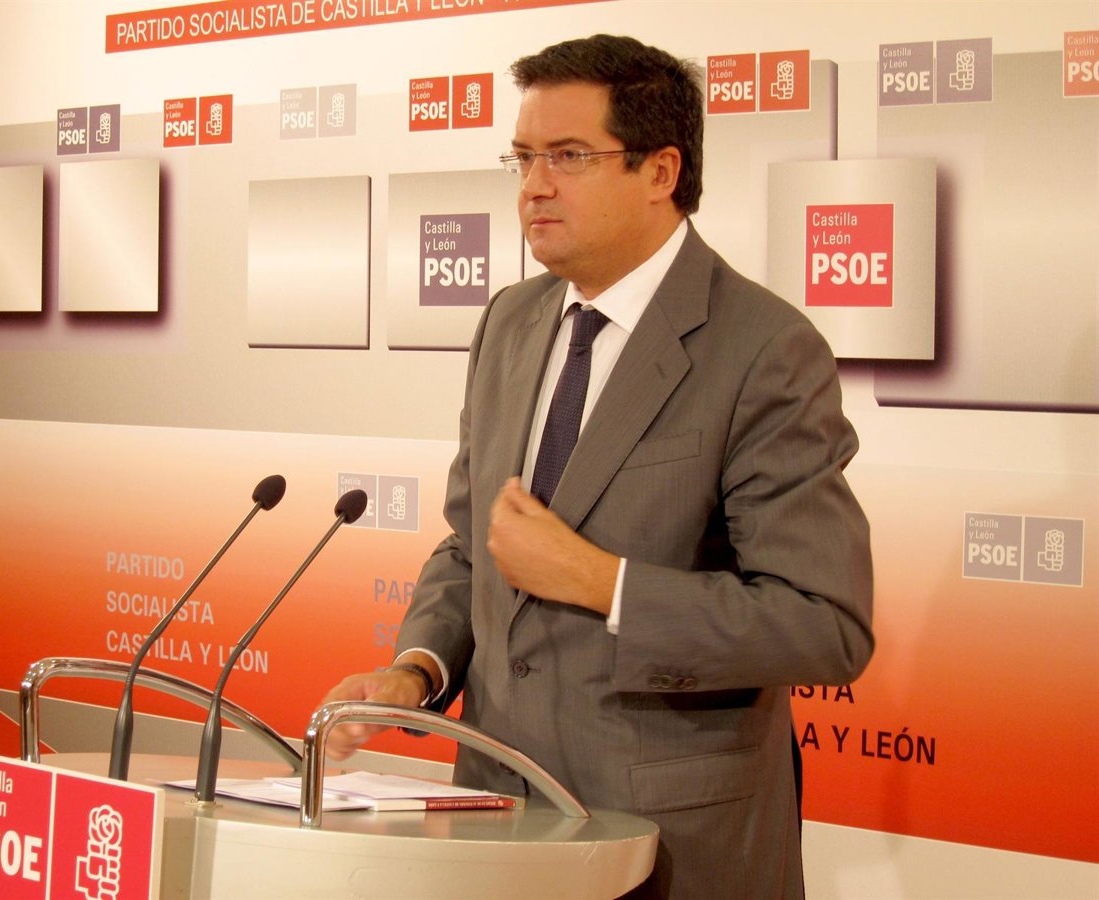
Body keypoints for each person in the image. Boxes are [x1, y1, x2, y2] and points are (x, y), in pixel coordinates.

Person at [320, 34, 873, 899]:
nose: (533, 186)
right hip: (499, 818)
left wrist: (601, 583)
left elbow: (823, 624)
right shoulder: (510, 322)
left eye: (569, 156)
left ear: (660, 171)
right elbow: (474, 547)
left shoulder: (764, 349)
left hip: (671, 842)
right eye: (524, 157)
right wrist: (417, 670)